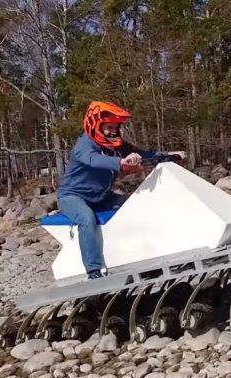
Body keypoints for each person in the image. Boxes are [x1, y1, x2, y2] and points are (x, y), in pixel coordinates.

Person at [57, 100, 186, 280]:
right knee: (86, 218)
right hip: (72, 197)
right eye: (108, 127)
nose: (113, 131)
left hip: (101, 197)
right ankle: (93, 271)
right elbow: (94, 160)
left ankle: (145, 256)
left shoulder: (116, 145)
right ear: (96, 126)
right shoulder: (84, 145)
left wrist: (169, 155)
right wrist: (121, 163)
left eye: (115, 127)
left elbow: (143, 154)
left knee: (136, 205)